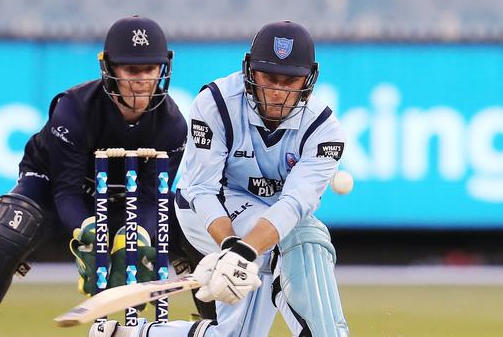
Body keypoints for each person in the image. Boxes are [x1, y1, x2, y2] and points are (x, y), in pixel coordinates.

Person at [0, 16, 188, 337]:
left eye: (150, 69)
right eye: (132, 70)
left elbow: (152, 198)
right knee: (9, 225)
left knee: (191, 226)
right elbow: (66, 190)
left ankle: (225, 331)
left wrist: (138, 236)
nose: (142, 80)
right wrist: (90, 231)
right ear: (110, 69)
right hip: (52, 190)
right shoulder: (75, 109)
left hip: (125, 200)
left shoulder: (174, 125)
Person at [89, 21, 350, 337]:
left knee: (237, 334)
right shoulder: (216, 102)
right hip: (207, 213)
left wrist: (243, 253)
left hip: (269, 226)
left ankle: (128, 335)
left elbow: (294, 204)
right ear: (250, 71)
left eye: (290, 81)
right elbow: (201, 189)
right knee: (306, 236)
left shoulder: (323, 129)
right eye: (269, 78)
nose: (278, 93)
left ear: (309, 80)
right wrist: (231, 247)